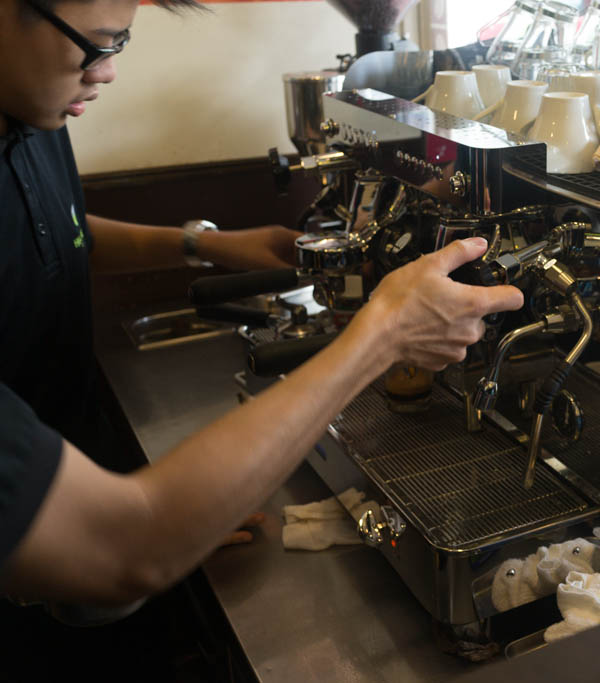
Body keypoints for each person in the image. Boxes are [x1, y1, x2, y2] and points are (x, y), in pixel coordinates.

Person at [0, 0, 524, 608]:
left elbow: (56, 230)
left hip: (66, 478)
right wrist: (384, 333)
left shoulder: (30, 115)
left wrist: (207, 244)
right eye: (97, 44)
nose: (108, 71)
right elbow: (122, 548)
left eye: (122, 44)